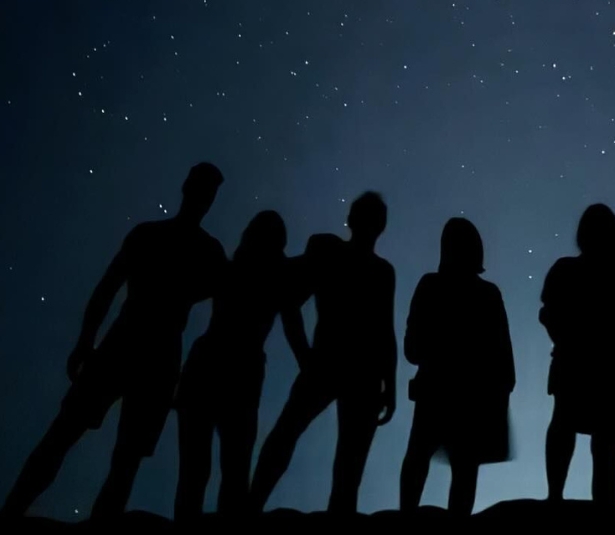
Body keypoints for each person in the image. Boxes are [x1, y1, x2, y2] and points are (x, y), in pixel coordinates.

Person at [2, 163, 226, 520]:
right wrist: (86, 341)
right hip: (144, 347)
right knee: (94, 446)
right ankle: (17, 509)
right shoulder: (196, 248)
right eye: (205, 190)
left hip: (137, 344)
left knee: (101, 448)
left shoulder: (171, 241)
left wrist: (86, 341)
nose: (204, 197)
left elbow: (108, 288)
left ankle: (15, 509)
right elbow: (108, 288)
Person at [249, 191, 397, 515]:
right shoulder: (329, 251)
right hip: (337, 365)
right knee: (290, 437)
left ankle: (255, 505)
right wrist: (304, 355)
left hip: (353, 370)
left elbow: (386, 332)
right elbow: (290, 300)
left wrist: (391, 384)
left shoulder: (373, 268)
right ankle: (252, 505)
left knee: (342, 461)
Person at [174, 209, 309, 519]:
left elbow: (293, 326)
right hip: (237, 371)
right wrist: (307, 363)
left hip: (212, 365)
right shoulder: (272, 277)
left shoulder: (233, 269)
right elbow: (293, 327)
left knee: (200, 471)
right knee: (229, 471)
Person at [399, 218, 515, 516]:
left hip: (436, 391)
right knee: (464, 466)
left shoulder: (431, 286)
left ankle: (406, 515)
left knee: (419, 457)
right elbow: (503, 355)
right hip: (472, 397)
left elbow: (412, 348)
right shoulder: (488, 294)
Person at [539, 203, 615, 504]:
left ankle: (555, 497)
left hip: (576, 364)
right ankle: (600, 503)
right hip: (613, 369)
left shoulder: (567, 270)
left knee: (567, 427)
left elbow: (548, 313)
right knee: (604, 443)